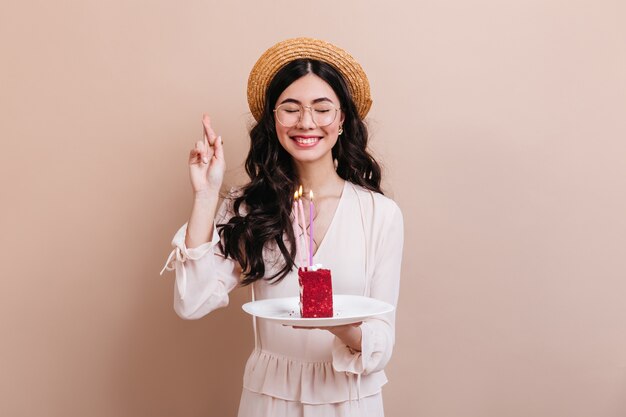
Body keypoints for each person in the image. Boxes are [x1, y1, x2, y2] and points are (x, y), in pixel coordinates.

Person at [161, 37, 404, 417]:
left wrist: (335, 324)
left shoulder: (380, 214)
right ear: (273, 121)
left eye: (322, 109)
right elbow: (191, 303)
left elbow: (381, 342)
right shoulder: (248, 207)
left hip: (350, 399)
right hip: (270, 399)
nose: (306, 122)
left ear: (342, 120)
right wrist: (206, 195)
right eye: (290, 109)